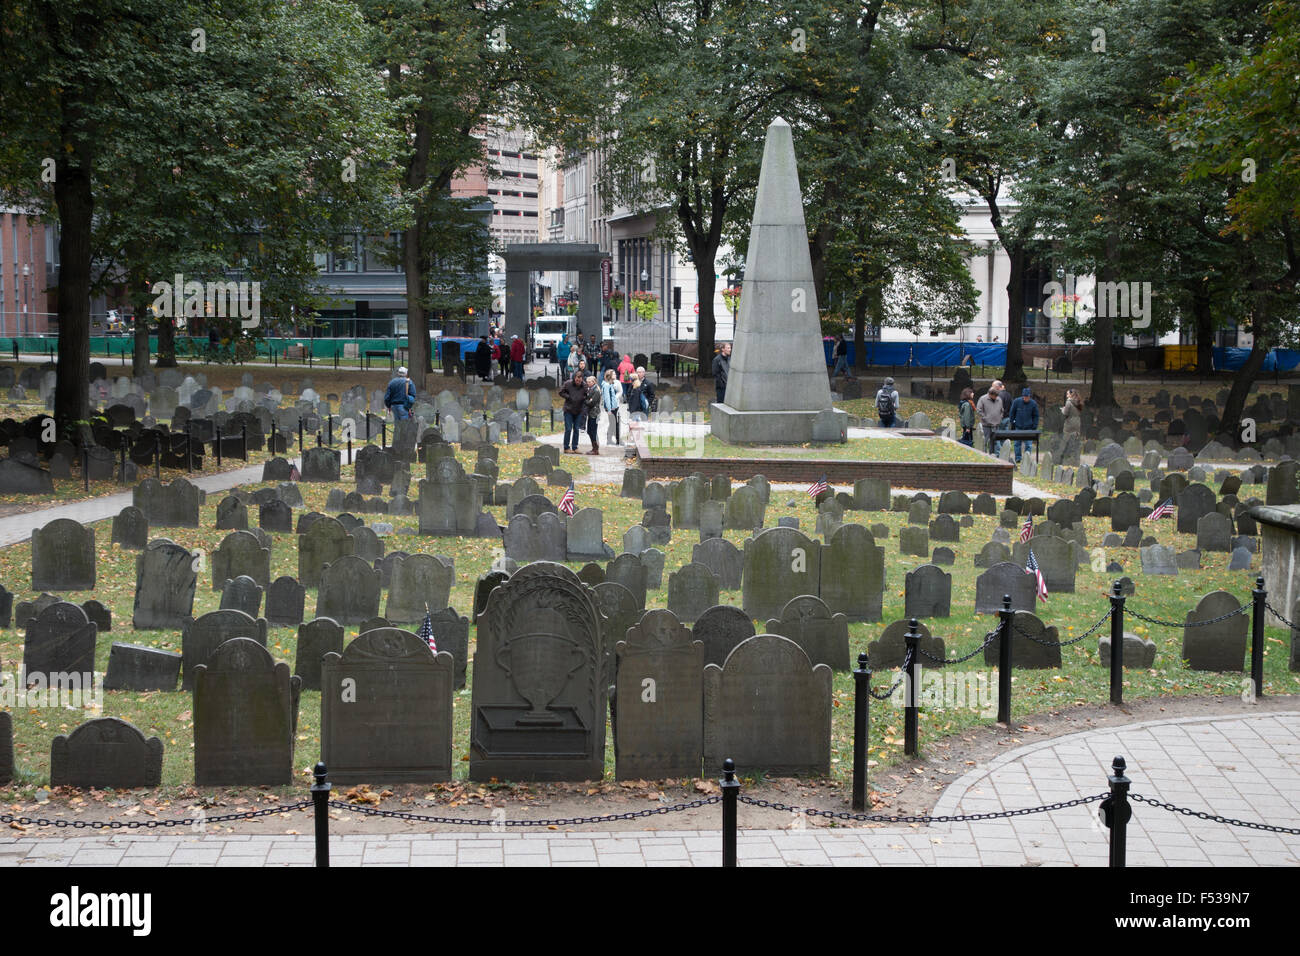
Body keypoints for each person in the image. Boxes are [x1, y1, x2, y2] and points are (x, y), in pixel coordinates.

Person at [559, 369, 587, 453]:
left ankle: (575, 447)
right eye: (577, 379)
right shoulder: (568, 384)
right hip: (568, 409)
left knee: (576, 429)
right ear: (574, 378)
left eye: (580, 379)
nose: (578, 381)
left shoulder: (584, 385)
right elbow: (561, 392)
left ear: (582, 379)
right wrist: (568, 397)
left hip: (579, 410)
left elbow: (587, 394)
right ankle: (566, 447)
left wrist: (583, 398)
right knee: (568, 429)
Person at [1008, 386, 1039, 463]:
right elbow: (1012, 412)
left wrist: (1034, 426)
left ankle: (1026, 458)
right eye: (1024, 397)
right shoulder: (1016, 402)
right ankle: (1018, 458)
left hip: (1029, 427)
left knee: (1028, 444)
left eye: (1027, 397)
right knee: (1017, 444)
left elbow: (1036, 415)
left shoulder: (1033, 404)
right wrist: (1013, 422)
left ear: (1029, 396)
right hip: (1018, 426)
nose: (1025, 398)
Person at [976, 381, 1004, 454]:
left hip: (996, 425)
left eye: (996, 396)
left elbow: (1002, 410)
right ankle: (983, 455)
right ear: (990, 394)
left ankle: (993, 455)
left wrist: (1000, 418)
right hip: (986, 425)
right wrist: (985, 418)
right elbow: (978, 410)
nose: (995, 398)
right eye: (994, 396)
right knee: (984, 441)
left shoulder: (999, 399)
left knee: (994, 442)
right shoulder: (983, 399)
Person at [602, 369, 623, 445]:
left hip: (615, 406)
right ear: (609, 376)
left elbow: (620, 392)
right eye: (613, 374)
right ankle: (617, 440)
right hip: (611, 407)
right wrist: (609, 409)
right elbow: (606, 398)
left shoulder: (616, 383)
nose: (615, 375)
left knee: (613, 423)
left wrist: (615, 398)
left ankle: (611, 439)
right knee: (614, 423)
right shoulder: (607, 385)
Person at [583, 374, 601, 454]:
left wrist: (586, 401)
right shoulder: (590, 389)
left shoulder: (596, 390)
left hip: (594, 413)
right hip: (591, 413)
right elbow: (589, 399)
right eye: (587, 382)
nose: (588, 383)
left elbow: (592, 402)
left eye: (589, 382)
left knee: (592, 430)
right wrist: (588, 400)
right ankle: (594, 447)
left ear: (593, 382)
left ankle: (595, 449)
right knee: (589, 431)